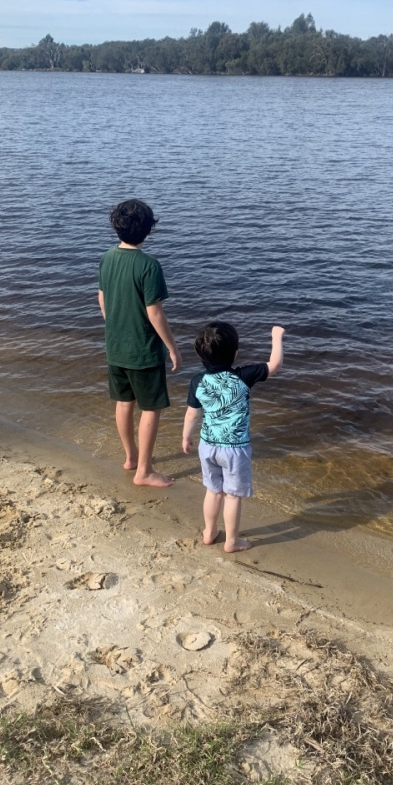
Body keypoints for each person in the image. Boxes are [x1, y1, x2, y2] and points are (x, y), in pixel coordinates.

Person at [98, 199, 181, 487]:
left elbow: (102, 296)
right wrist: (172, 347)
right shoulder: (149, 265)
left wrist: (113, 322)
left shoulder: (108, 257)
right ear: (148, 230)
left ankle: (131, 457)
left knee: (123, 402)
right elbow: (154, 312)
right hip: (143, 350)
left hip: (115, 345)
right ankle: (144, 471)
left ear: (116, 228)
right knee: (150, 408)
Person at [182, 321, 285, 552]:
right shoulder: (243, 377)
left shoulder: (198, 381)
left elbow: (191, 414)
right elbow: (275, 365)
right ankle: (232, 541)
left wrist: (185, 437)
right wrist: (276, 336)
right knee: (232, 496)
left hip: (207, 446)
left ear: (200, 356)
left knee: (213, 491)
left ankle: (209, 532)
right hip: (234, 449)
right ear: (235, 354)